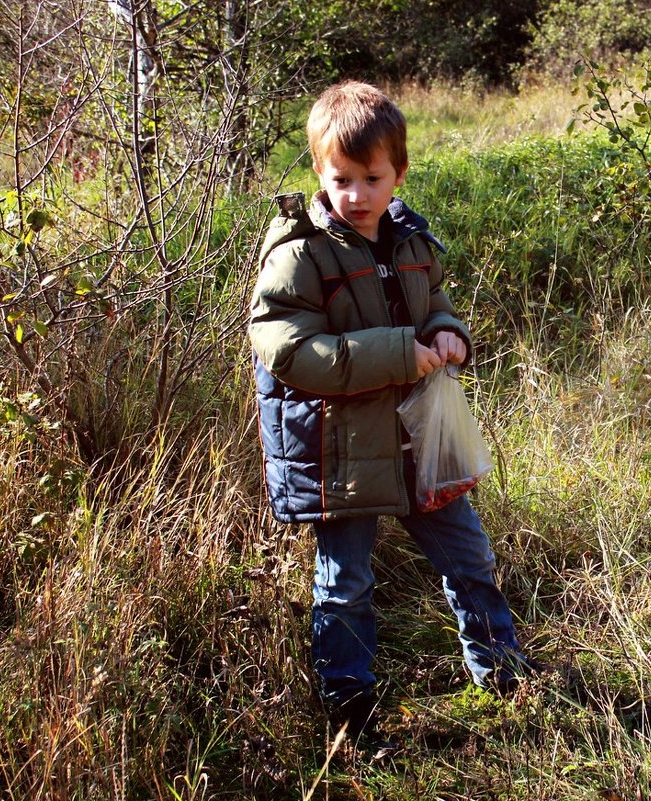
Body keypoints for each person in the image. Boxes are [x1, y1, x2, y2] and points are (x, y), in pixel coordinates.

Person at [247, 80, 533, 750]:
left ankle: (504, 675)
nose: (357, 194)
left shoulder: (409, 238)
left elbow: (431, 300)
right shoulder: (300, 252)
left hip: (415, 440)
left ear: (397, 173)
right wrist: (406, 351)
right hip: (339, 451)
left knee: (469, 555)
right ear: (320, 172)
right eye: (341, 178)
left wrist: (447, 330)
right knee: (344, 581)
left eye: (371, 178)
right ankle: (350, 706)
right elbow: (290, 350)